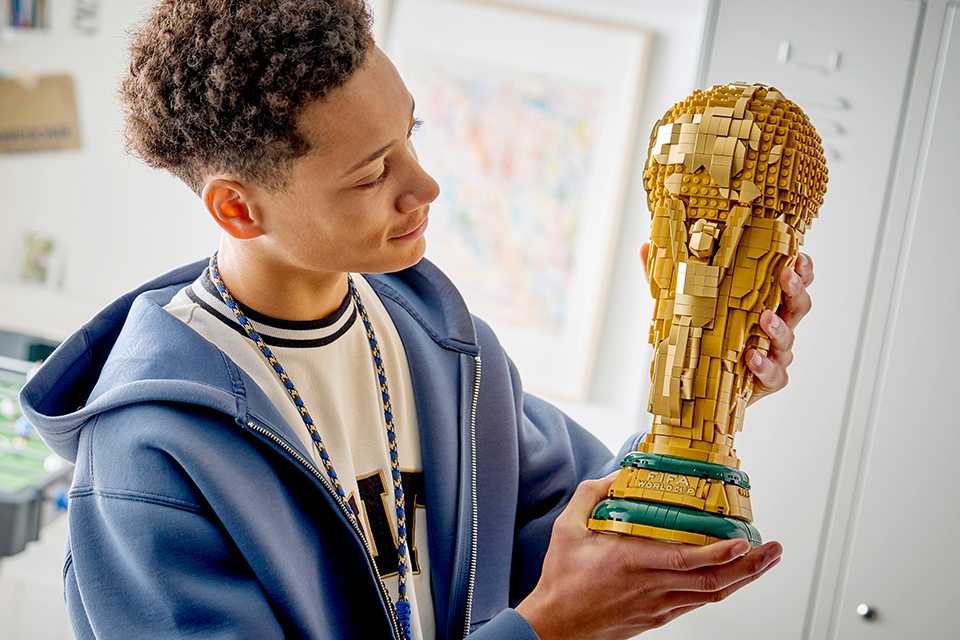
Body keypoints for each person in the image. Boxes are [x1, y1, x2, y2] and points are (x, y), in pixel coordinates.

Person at [18, 1, 815, 638]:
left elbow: (583, 529)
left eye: (411, 134)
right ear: (237, 208)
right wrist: (547, 632)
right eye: (372, 174)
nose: (425, 186)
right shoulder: (148, 457)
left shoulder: (444, 346)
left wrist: (707, 379)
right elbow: (556, 610)